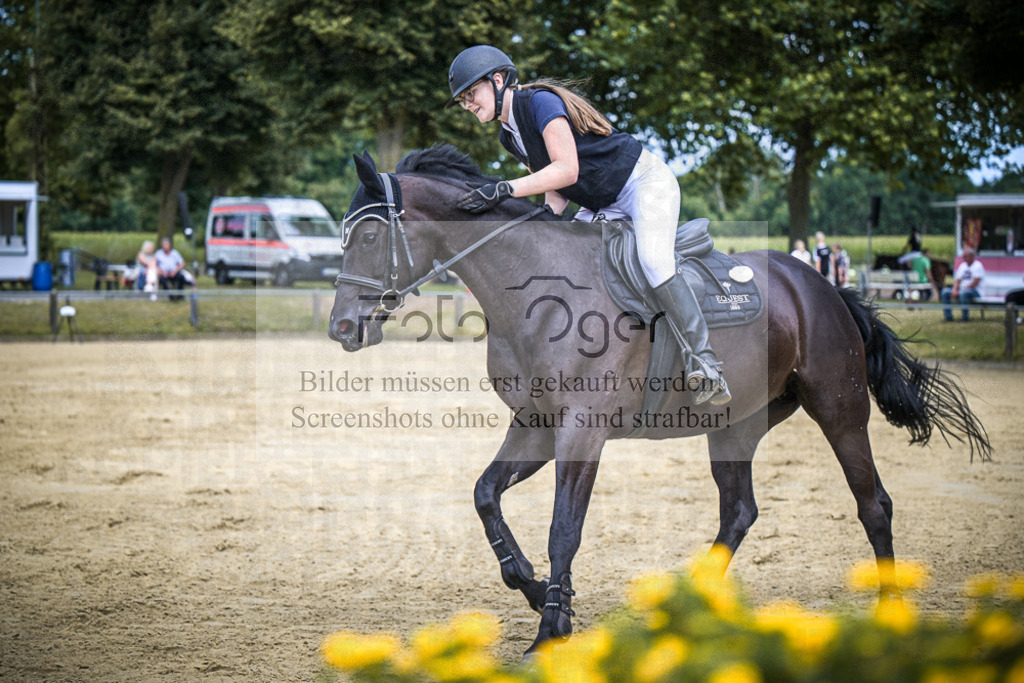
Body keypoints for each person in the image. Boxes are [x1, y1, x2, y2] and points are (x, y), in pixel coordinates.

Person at [445, 45, 729, 405]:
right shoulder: (508, 134)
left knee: (655, 261)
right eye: (462, 101)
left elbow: (567, 169)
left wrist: (505, 189)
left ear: (498, 80)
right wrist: (544, 221)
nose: (468, 104)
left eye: (471, 94)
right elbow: (557, 190)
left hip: (643, 185)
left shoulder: (539, 104)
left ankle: (704, 361)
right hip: (601, 203)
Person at [941, 248, 985, 321]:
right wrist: (954, 289)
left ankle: (965, 317)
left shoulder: (978, 266)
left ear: (971, 256)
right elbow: (958, 281)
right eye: (963, 256)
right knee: (945, 292)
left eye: (965, 256)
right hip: (962, 290)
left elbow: (975, 283)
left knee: (964, 294)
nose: (963, 258)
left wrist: (961, 290)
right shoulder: (962, 266)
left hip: (975, 291)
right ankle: (948, 317)